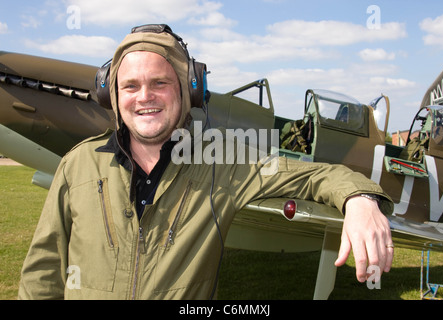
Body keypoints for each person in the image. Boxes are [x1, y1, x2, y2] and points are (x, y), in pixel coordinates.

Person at [18, 24, 394, 300]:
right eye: (130, 86)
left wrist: (360, 199)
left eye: (160, 83)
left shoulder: (225, 163)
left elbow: (318, 175)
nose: (144, 96)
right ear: (113, 96)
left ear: (189, 92)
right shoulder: (77, 165)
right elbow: (43, 275)